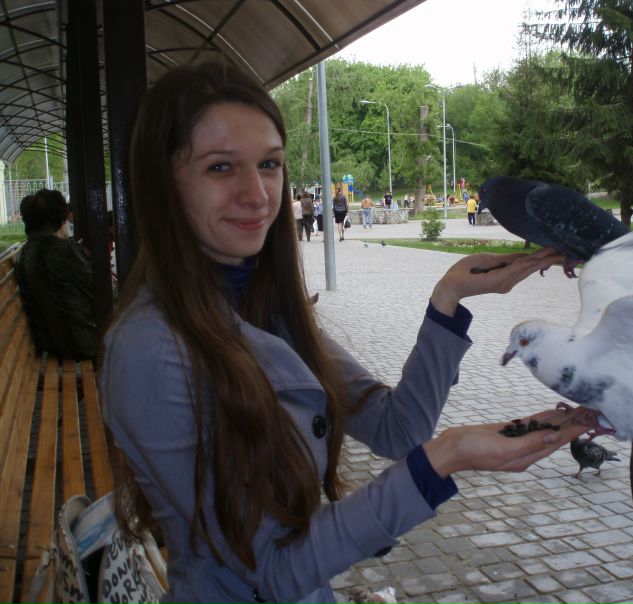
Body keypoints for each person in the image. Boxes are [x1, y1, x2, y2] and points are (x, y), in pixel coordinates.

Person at [99, 61, 584, 604]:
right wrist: (447, 457)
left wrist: (449, 298)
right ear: (164, 185)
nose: (257, 194)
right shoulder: (149, 350)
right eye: (220, 167)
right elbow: (270, 572)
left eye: (269, 164)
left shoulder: (269, 310)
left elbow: (398, 429)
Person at [17, 188, 98, 360]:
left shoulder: (25, 252)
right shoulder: (62, 250)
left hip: (52, 343)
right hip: (82, 343)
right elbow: (101, 290)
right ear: (58, 219)